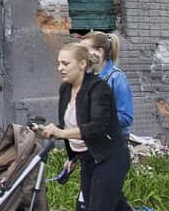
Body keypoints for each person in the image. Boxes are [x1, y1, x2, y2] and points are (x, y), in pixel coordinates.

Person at [35, 43, 132, 211]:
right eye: (58, 63)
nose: (60, 68)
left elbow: (96, 127)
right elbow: (71, 125)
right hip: (88, 159)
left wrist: (62, 132)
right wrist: (47, 132)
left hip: (109, 158)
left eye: (65, 64)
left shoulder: (98, 88)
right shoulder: (65, 88)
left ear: (81, 64)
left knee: (95, 207)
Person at [81, 32, 133, 139]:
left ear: (99, 52)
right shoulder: (86, 77)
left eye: (85, 51)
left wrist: (99, 121)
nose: (81, 55)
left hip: (112, 142)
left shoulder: (116, 78)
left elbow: (126, 117)